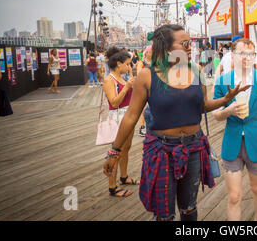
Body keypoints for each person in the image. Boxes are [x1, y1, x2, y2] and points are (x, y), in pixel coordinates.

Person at [103, 24, 248, 221]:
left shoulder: (195, 71)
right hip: (161, 150)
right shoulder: (147, 76)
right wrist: (114, 151)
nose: (190, 47)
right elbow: (130, 116)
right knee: (164, 214)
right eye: (185, 43)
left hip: (194, 148)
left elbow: (203, 105)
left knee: (189, 209)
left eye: (191, 43)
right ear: (167, 47)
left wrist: (224, 100)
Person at [213, 38, 257, 221]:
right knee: (234, 196)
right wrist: (228, 111)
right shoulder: (223, 81)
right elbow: (216, 114)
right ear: (233, 55)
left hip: (256, 141)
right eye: (242, 53)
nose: (247, 57)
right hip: (232, 142)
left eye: (251, 54)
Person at [103, 46, 137, 197]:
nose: (130, 66)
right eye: (127, 64)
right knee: (115, 152)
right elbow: (114, 102)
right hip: (118, 119)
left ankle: (123, 177)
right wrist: (127, 87)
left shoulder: (122, 78)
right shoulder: (109, 80)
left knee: (126, 149)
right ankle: (112, 187)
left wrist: (130, 79)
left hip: (127, 117)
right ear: (118, 63)